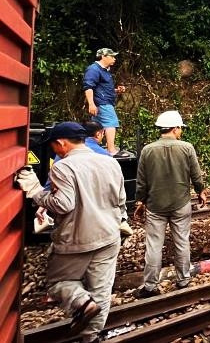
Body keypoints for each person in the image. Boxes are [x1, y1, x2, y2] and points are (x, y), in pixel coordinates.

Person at [15, 122, 126, 342]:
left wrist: (36, 191)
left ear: (61, 143)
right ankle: (91, 337)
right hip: (110, 236)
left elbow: (63, 204)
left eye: (54, 146)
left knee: (58, 283)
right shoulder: (110, 162)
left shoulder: (63, 167)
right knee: (101, 291)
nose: (54, 150)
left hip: (77, 239)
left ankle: (82, 303)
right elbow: (120, 199)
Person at [134, 110, 207, 298]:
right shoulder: (187, 148)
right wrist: (201, 191)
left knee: (154, 246)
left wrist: (140, 201)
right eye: (180, 128)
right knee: (182, 241)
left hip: (155, 206)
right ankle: (183, 280)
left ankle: (150, 286)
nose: (181, 131)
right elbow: (196, 175)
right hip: (180, 203)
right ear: (174, 129)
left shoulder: (147, 150)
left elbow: (141, 181)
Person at [82, 48, 128, 157]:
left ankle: (94, 148)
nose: (114, 59)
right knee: (111, 123)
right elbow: (88, 87)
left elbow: (102, 89)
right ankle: (111, 150)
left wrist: (117, 91)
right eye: (112, 56)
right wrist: (91, 103)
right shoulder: (94, 69)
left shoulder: (105, 70)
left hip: (103, 101)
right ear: (103, 56)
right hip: (103, 103)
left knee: (97, 127)